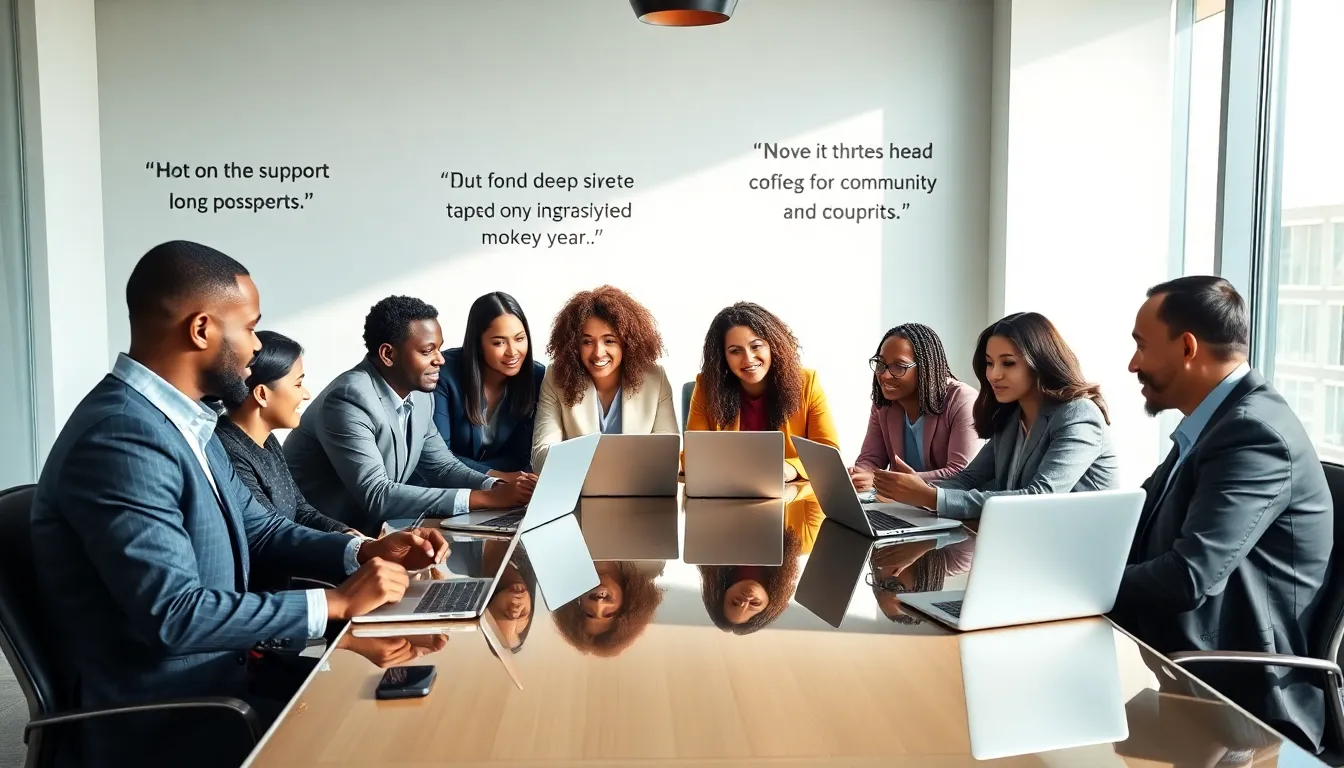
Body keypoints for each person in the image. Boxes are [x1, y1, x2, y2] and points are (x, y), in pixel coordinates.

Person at [29, 241, 450, 768]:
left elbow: (262, 528)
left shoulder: (186, 422)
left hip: (228, 677)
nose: (255, 347)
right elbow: (174, 614)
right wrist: (335, 605)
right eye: (250, 326)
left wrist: (364, 552)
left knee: (418, 711)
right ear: (202, 329)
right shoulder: (121, 437)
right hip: (169, 714)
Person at [1111, 275, 1333, 754]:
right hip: (1177, 664)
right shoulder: (1212, 425)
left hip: (1241, 704)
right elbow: (1135, 522)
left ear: (1187, 347)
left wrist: (1067, 586)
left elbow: (1188, 576)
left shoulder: (1253, 434)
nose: (1133, 364)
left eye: (1142, 346)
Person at [285, 295, 536, 536]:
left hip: (374, 532)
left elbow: (442, 466)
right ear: (388, 354)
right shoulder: (349, 399)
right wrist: (484, 499)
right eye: (428, 351)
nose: (440, 360)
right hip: (320, 539)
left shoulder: (420, 394)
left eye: (440, 349)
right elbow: (378, 495)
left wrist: (495, 486)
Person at [874, 311, 1119, 518]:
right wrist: (910, 490)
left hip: (1079, 554)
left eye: (1008, 363)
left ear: (1041, 362)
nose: (993, 375)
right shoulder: (1013, 417)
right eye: (990, 363)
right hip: (1027, 544)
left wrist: (931, 496)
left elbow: (1040, 498)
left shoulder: (1078, 414)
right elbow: (967, 479)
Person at [215, 330, 358, 589]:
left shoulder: (267, 440)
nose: (306, 394)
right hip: (271, 601)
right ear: (262, 394)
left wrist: (347, 534)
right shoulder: (227, 450)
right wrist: (354, 552)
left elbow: (300, 510)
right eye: (297, 383)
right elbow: (271, 539)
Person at [686, 301, 840, 481]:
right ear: (723, 357)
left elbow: (829, 454)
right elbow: (692, 458)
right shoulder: (707, 386)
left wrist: (790, 468)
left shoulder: (807, 382)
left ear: (773, 345)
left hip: (791, 499)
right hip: (727, 496)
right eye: (735, 351)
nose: (748, 359)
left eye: (756, 346)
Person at [531, 285, 678, 471]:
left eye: (609, 341)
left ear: (627, 343)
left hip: (637, 492)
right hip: (580, 494)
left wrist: (581, 458)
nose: (598, 353)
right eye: (587, 342)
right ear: (573, 345)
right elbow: (540, 457)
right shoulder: (556, 378)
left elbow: (667, 455)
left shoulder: (656, 379)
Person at [849, 323, 982, 491]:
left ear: (925, 368)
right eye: (880, 364)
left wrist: (884, 481)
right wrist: (860, 474)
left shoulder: (963, 400)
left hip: (950, 511)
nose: (885, 375)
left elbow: (961, 473)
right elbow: (871, 459)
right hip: (902, 507)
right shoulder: (884, 403)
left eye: (899, 366)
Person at [432, 292, 546, 473]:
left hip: (509, 486)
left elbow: (524, 453)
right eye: (499, 343)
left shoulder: (537, 377)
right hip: (448, 486)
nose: (513, 352)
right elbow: (439, 455)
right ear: (478, 343)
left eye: (519, 339)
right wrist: (493, 477)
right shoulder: (444, 374)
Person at [552, 561, 665, 657]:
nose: (599, 604)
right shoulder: (650, 565)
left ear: (577, 603)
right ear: (627, 604)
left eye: (589, 613)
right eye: (608, 613)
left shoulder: (563, 561)